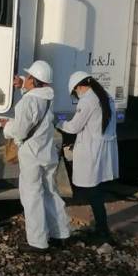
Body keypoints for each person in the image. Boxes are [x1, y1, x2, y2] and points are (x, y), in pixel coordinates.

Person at [0, 60, 71, 253]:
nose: (25, 78)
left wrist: (6, 126)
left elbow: (20, 132)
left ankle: (38, 242)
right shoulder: (48, 98)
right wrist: (22, 84)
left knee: (32, 197)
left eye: (28, 77)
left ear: (34, 80)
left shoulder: (28, 102)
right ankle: (61, 233)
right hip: (47, 153)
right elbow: (37, 102)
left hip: (32, 155)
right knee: (50, 193)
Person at [55, 71, 119, 245]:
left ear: (79, 86)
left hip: (91, 151)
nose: (76, 95)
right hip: (101, 150)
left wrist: (58, 123)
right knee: (96, 191)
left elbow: (74, 127)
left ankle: (103, 232)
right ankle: (101, 228)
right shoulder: (105, 96)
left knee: (92, 192)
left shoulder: (88, 100)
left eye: (75, 92)